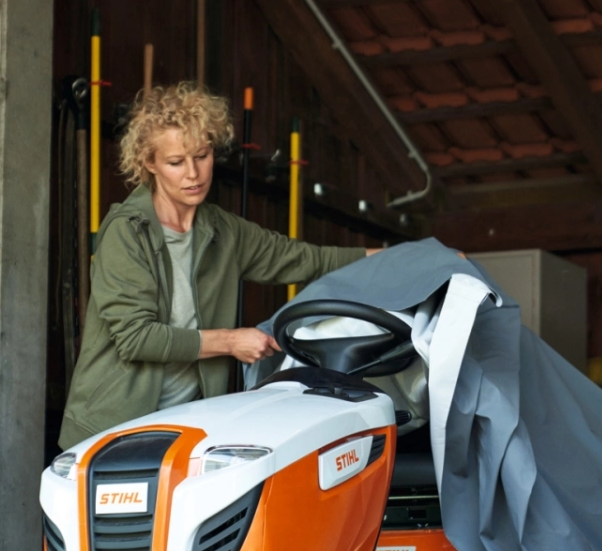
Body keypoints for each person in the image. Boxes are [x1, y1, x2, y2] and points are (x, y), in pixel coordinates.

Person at [59, 82, 381, 448]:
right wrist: (231, 341)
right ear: (150, 163)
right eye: (176, 163)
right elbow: (136, 339)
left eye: (202, 155)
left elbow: (311, 260)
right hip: (110, 432)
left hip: (188, 427)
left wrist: (402, 258)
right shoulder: (126, 233)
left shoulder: (224, 232)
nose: (193, 174)